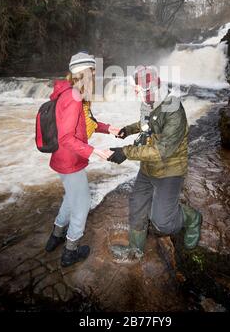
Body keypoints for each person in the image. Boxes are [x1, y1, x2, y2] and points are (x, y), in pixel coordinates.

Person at [108, 65, 202, 260]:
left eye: (137, 88)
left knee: (163, 223)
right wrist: (128, 129)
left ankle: (193, 218)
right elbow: (146, 124)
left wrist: (126, 152)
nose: (134, 91)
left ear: (148, 89)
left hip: (170, 169)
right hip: (148, 167)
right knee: (137, 206)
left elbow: (162, 150)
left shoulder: (173, 109)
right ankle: (136, 249)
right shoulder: (149, 101)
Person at [45, 51, 115, 267]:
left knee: (71, 197)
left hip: (62, 159)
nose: (95, 75)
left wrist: (108, 128)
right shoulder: (75, 97)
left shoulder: (70, 92)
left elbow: (85, 123)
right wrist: (94, 151)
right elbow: (67, 137)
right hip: (70, 161)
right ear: (86, 72)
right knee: (82, 203)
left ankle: (55, 237)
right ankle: (70, 251)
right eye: (93, 71)